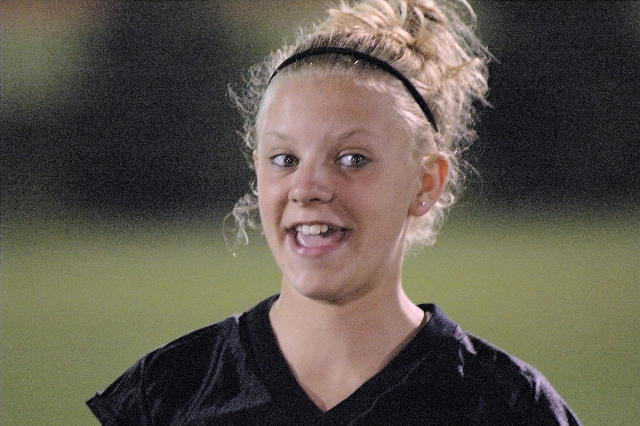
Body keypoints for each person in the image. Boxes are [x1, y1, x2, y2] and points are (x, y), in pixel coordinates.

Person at [87, 0, 581, 424]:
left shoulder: (507, 404)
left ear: (425, 182)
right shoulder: (170, 392)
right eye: (285, 160)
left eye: (352, 159)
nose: (307, 189)